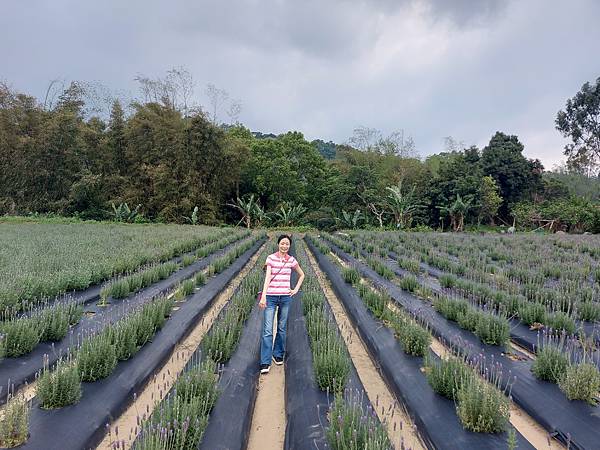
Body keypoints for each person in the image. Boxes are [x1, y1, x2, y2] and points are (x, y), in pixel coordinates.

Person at [259, 234, 305, 374]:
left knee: (282, 327)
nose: (284, 246)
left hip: (285, 297)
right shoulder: (270, 258)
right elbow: (267, 278)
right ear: (278, 244)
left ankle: (277, 353)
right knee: (267, 330)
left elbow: (302, 274)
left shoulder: (291, 260)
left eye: (287, 244)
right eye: (282, 243)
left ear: (289, 246)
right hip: (271, 297)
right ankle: (265, 362)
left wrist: (295, 289)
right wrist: (264, 297)